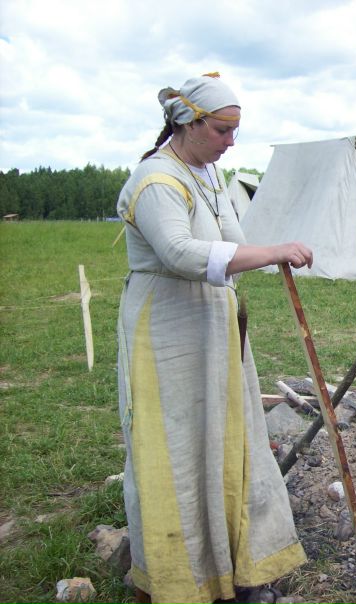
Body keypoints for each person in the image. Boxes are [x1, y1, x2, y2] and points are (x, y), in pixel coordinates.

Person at [117, 73, 311, 604]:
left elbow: (232, 243)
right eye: (223, 130)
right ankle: (178, 578)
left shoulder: (207, 175)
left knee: (222, 438)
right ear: (189, 123)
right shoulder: (157, 180)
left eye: (235, 131)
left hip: (212, 326)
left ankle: (227, 568)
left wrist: (267, 252)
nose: (231, 142)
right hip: (168, 332)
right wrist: (272, 252)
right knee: (176, 447)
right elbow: (179, 253)